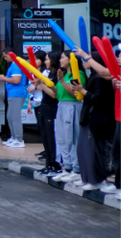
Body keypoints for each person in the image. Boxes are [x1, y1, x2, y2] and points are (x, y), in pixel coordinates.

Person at [70, 52, 115, 190]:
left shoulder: (100, 78)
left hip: (96, 119)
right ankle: (88, 178)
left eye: (89, 57)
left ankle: (96, 180)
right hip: (90, 117)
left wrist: (82, 90)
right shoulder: (94, 77)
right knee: (84, 149)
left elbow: (98, 99)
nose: (85, 60)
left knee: (94, 150)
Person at [52, 51, 86, 182]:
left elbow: (74, 93)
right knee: (62, 138)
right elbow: (57, 92)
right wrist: (42, 84)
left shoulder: (78, 74)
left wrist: (61, 80)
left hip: (72, 106)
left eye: (62, 57)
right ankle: (67, 167)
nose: (60, 60)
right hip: (61, 105)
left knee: (71, 137)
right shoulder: (65, 75)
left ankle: (76, 168)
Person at [0, 49, 28, 148]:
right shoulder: (14, 65)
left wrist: (3, 78)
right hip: (12, 94)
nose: (5, 59)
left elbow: (16, 80)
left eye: (5, 56)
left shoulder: (16, 65)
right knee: (10, 116)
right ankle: (14, 137)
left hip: (17, 94)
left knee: (15, 117)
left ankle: (19, 139)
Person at [35, 52, 60, 175]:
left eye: (47, 59)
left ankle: (54, 164)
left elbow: (54, 94)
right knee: (44, 137)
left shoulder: (58, 75)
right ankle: (48, 163)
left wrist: (42, 85)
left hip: (52, 108)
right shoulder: (49, 73)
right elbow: (44, 91)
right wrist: (39, 84)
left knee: (51, 138)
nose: (45, 62)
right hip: (43, 107)